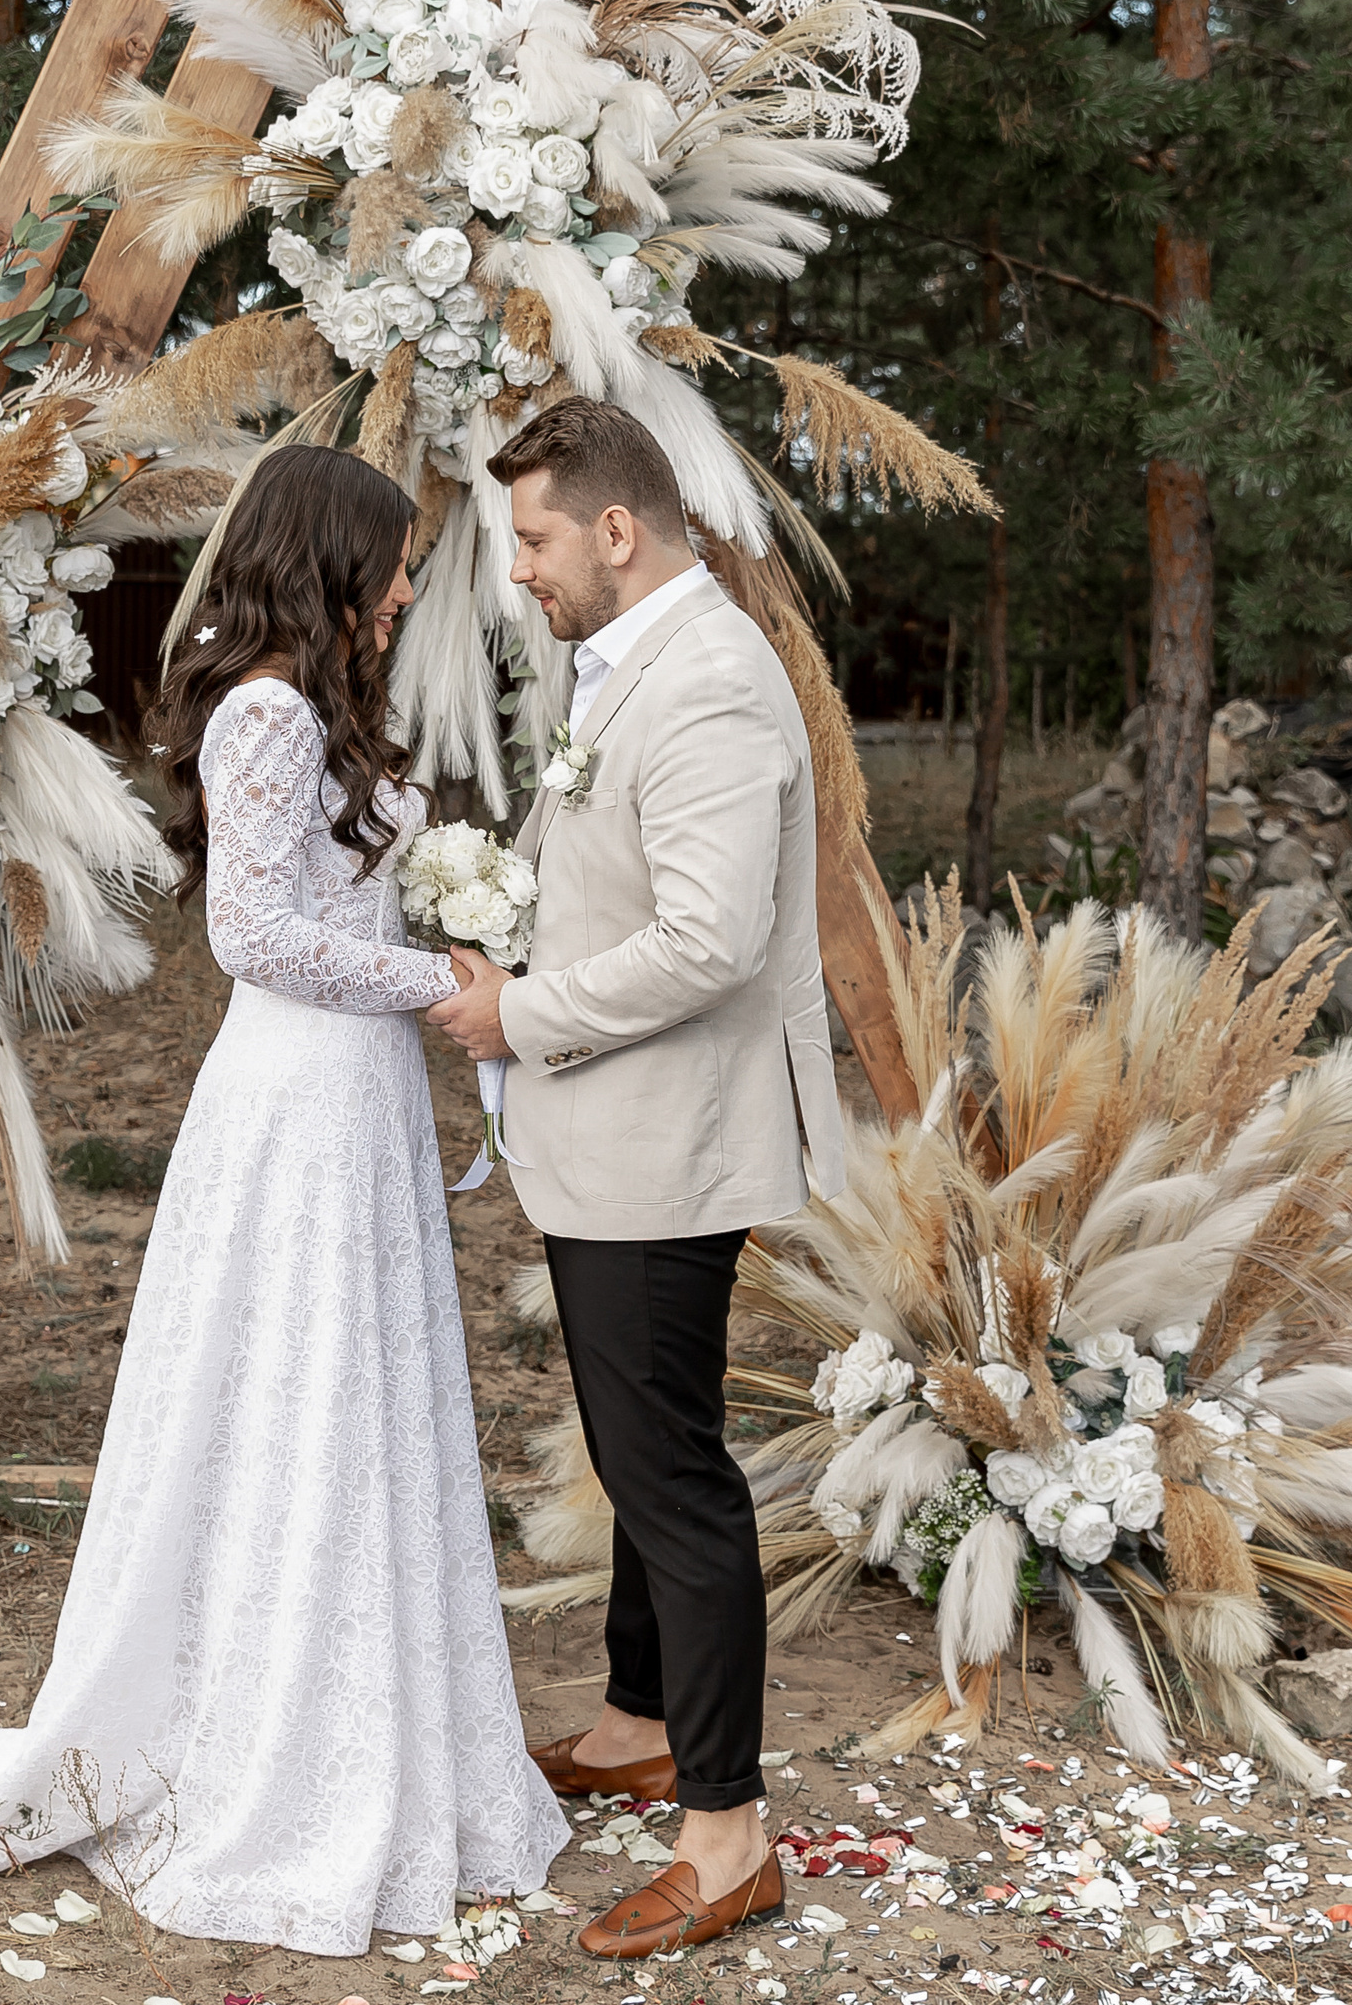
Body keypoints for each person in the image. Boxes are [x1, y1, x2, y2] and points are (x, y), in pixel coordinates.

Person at [0, 444, 565, 1954]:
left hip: (360, 1096)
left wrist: (448, 921)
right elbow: (254, 935)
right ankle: (267, 1740)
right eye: (389, 563)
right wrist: (441, 975)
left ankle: (369, 1709)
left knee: (357, 1406)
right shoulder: (262, 712)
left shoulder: (321, 712)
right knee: (293, 1406)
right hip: (298, 1099)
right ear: (329, 558)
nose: (403, 589)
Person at [427, 393, 849, 1964]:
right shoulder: (635, 667)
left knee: (673, 1474)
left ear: (617, 529)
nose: (521, 571)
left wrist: (515, 1013)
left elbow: (711, 941)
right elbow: (627, 890)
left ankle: (729, 1834)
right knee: (633, 1446)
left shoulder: (715, 686)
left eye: (534, 539)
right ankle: (635, 1724)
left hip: (667, 1146)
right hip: (619, 1136)